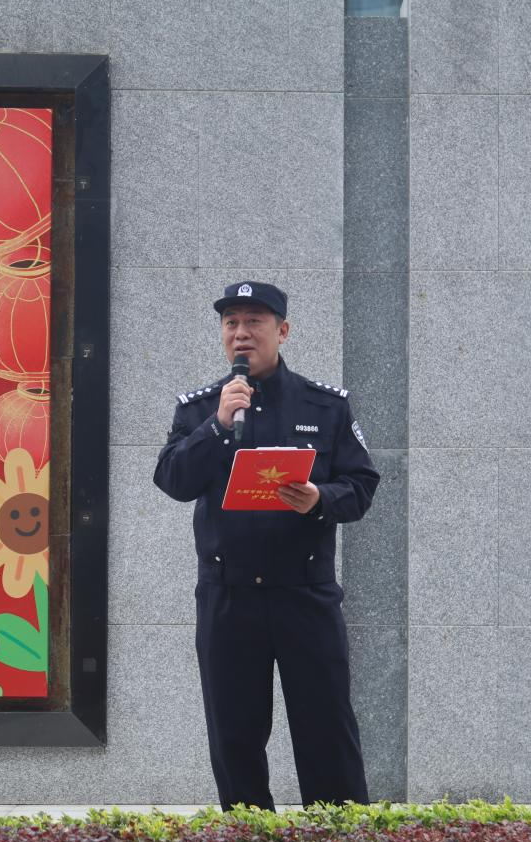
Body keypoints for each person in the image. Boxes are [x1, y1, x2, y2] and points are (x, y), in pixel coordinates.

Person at [153, 280, 379, 811]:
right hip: (228, 597)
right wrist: (217, 426)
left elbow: (362, 485)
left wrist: (319, 498)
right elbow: (172, 480)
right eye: (231, 323)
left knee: (326, 728)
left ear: (283, 331)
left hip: (305, 594)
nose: (241, 333)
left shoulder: (325, 406)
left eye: (254, 322)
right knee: (234, 733)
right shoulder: (200, 409)